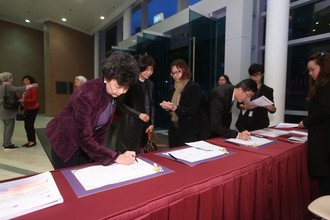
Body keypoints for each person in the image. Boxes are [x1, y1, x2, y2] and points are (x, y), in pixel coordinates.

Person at [46, 51, 140, 169]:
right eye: (118, 86)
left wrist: (103, 154)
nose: (121, 91)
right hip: (66, 143)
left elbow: (99, 130)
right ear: (106, 77)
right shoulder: (87, 94)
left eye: (126, 88)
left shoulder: (112, 93)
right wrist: (116, 157)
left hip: (87, 146)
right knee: (69, 181)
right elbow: (83, 137)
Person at [298, 52, 330, 196]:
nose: (310, 73)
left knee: (326, 183)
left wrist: (306, 122)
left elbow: (325, 110)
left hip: (324, 140)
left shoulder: (325, 85)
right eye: (308, 70)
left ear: (323, 67)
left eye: (312, 69)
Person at [116, 54, 156, 154]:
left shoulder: (150, 84)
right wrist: (138, 114)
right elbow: (120, 105)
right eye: (146, 69)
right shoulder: (130, 82)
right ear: (140, 67)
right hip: (130, 126)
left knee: (144, 157)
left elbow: (152, 105)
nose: (149, 73)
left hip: (145, 127)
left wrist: (152, 123)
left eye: (151, 70)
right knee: (128, 156)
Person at [160, 59, 202, 148]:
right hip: (173, 129)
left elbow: (193, 111)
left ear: (185, 70)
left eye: (178, 72)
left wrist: (175, 108)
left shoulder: (193, 87)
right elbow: (169, 111)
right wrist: (167, 107)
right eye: (173, 73)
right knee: (173, 155)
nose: (175, 75)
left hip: (189, 130)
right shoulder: (172, 88)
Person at [0, 72, 38, 149]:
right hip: (8, 111)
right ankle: (7, 144)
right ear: (8, 78)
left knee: (7, 127)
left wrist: (23, 98)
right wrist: (32, 85)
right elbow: (18, 89)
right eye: (11, 77)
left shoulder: (2, 86)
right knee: (9, 128)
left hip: (3, 110)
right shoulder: (7, 86)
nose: (12, 79)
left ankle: (7, 143)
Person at [235, 64, 276, 131]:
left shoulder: (268, 90)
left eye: (258, 75)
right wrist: (244, 107)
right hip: (244, 123)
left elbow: (273, 110)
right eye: (253, 76)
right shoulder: (244, 87)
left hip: (261, 123)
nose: (255, 78)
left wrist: (270, 108)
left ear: (262, 75)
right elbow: (238, 105)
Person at [20, 75, 39, 147]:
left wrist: (23, 100)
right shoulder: (26, 89)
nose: (24, 81)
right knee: (26, 125)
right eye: (24, 80)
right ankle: (30, 140)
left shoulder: (33, 89)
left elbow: (34, 100)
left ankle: (33, 141)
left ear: (29, 81)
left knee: (29, 125)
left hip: (33, 109)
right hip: (27, 109)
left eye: (26, 80)